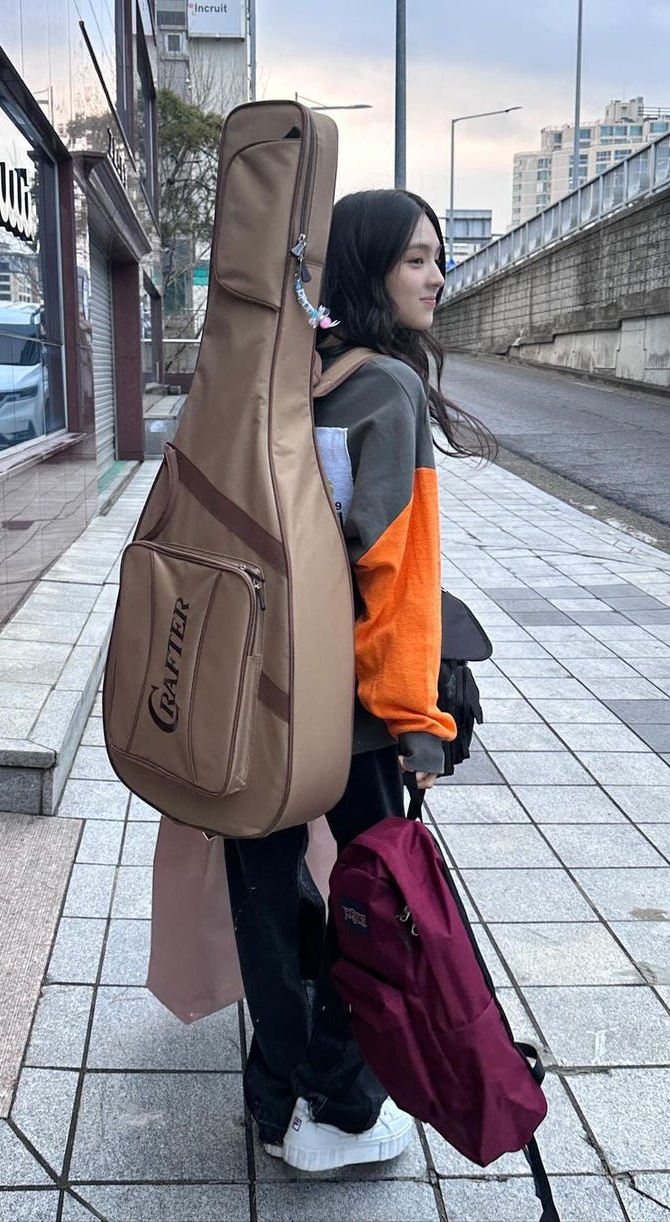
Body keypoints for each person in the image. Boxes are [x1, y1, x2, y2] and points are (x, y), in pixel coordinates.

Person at [223, 189, 494, 1173]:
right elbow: (398, 578)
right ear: (371, 266)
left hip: (253, 690)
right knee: (380, 905)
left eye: (437, 258)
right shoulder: (390, 389)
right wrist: (419, 725)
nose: (435, 276)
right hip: (357, 712)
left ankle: (275, 1096)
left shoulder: (289, 376)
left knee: (265, 894)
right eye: (418, 258)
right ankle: (333, 1110)